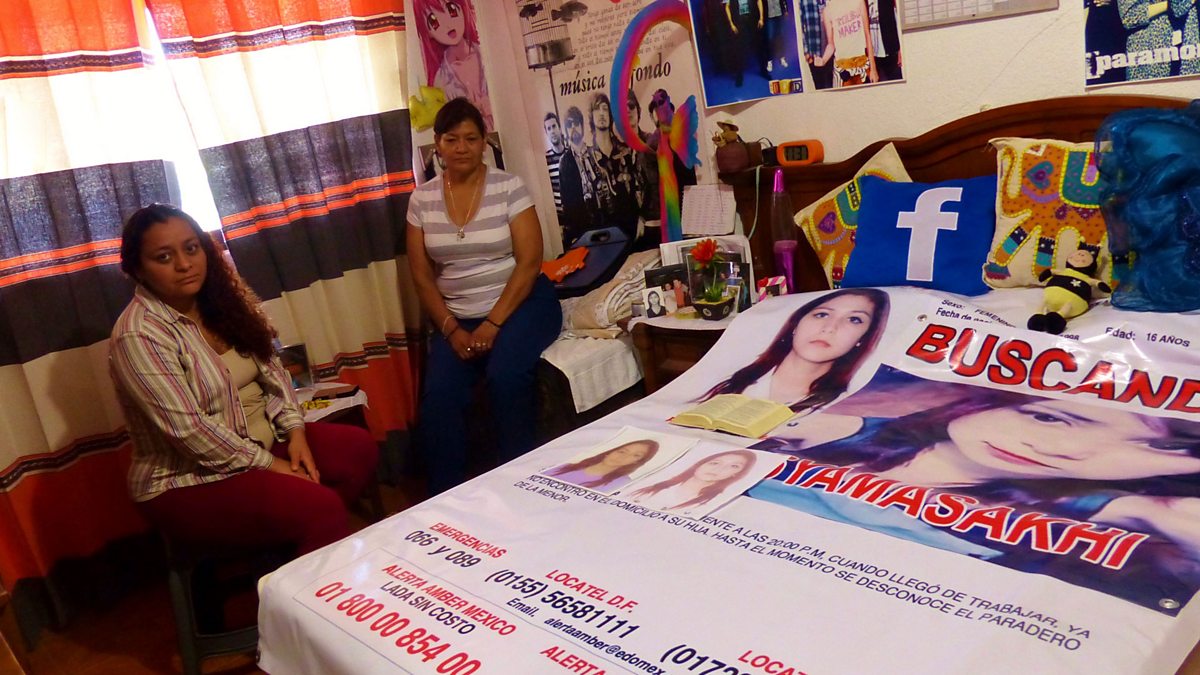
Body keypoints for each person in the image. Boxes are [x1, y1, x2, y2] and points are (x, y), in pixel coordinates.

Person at [750, 379, 1200, 611]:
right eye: (1047, 418)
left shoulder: (1094, 510)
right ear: (986, 400)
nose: (1060, 450)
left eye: (1158, 448)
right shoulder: (840, 432)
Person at [109, 204, 379, 557]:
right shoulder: (138, 334)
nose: (184, 264)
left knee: (358, 449)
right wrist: (273, 466)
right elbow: (189, 431)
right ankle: (308, 559)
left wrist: (295, 432)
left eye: (191, 248)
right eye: (164, 257)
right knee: (321, 508)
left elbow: (274, 370)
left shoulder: (222, 302)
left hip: (263, 444)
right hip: (188, 478)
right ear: (138, 269)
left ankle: (296, 550)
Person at [407, 98, 562, 495]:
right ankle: (446, 499)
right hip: (458, 318)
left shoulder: (509, 187)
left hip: (522, 306)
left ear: (483, 143)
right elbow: (421, 275)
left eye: (471, 139)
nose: (462, 147)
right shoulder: (421, 200)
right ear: (437, 145)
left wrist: (492, 324)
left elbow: (529, 262)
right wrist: (451, 328)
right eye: (452, 139)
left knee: (505, 375)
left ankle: (520, 485)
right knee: (439, 396)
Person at [700, 288, 890, 411]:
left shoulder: (842, 407)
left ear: (862, 339)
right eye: (822, 314)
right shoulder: (729, 382)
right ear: (796, 324)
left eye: (854, 320)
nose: (830, 328)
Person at [413, 0, 494, 130]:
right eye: (434, 21)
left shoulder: (488, 54)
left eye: (451, 9)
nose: (447, 25)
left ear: (463, 8)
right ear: (428, 32)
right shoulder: (440, 79)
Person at [583, 93, 642, 239]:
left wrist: (641, 218)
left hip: (631, 231)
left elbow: (638, 187)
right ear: (591, 116)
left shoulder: (625, 151)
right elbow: (588, 203)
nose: (602, 113)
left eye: (605, 109)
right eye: (597, 109)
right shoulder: (588, 159)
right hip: (605, 236)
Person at [628, 450, 757, 512]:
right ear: (700, 464)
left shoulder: (722, 502)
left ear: (736, 474)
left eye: (734, 466)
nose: (719, 469)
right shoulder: (652, 488)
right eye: (715, 463)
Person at [546, 440, 661, 491]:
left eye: (636, 455)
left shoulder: (622, 484)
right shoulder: (566, 467)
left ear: (637, 462)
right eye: (622, 451)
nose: (623, 457)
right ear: (610, 451)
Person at [815, 0, 878, 86]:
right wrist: (823, 60)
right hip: (842, 70)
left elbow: (867, 34)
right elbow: (831, 44)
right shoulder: (827, 11)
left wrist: (873, 69)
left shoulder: (858, 2)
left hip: (862, 65)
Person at [557, 105, 596, 246]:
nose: (573, 127)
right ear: (566, 130)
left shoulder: (594, 152)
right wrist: (573, 233)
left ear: (582, 125)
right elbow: (566, 201)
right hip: (581, 227)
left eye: (576, 123)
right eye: (569, 124)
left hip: (602, 222)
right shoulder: (564, 162)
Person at [724, 0, 765, 87]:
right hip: (739, 22)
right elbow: (727, 6)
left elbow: (759, 1)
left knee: (759, 46)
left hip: (752, 19)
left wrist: (761, 18)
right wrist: (731, 24)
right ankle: (739, 76)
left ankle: (763, 71)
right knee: (739, 49)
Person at [798, 0, 834, 88]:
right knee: (821, 87)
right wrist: (806, 51)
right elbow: (801, 25)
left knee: (833, 86)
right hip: (814, 52)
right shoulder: (804, 1)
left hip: (833, 50)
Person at [543, 112, 567, 230]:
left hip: (575, 212)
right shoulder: (545, 160)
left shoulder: (570, 154)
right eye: (548, 128)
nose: (552, 131)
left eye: (554, 126)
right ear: (546, 133)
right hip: (558, 218)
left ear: (559, 128)